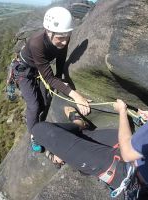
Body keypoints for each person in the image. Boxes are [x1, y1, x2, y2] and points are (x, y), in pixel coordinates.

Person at [31, 100, 148, 199]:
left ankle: (77, 125)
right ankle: (79, 128)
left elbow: (128, 152)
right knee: (86, 136)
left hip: (126, 170)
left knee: (39, 129)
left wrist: (122, 111)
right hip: (143, 168)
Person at [13, 7, 90, 151]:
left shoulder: (62, 38)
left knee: (45, 100)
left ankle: (39, 122)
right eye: (61, 38)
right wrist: (75, 95)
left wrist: (60, 80)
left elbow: (60, 61)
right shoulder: (37, 43)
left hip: (39, 68)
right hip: (24, 70)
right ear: (49, 32)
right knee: (34, 106)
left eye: (67, 36)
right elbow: (48, 77)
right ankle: (33, 134)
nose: (64, 41)